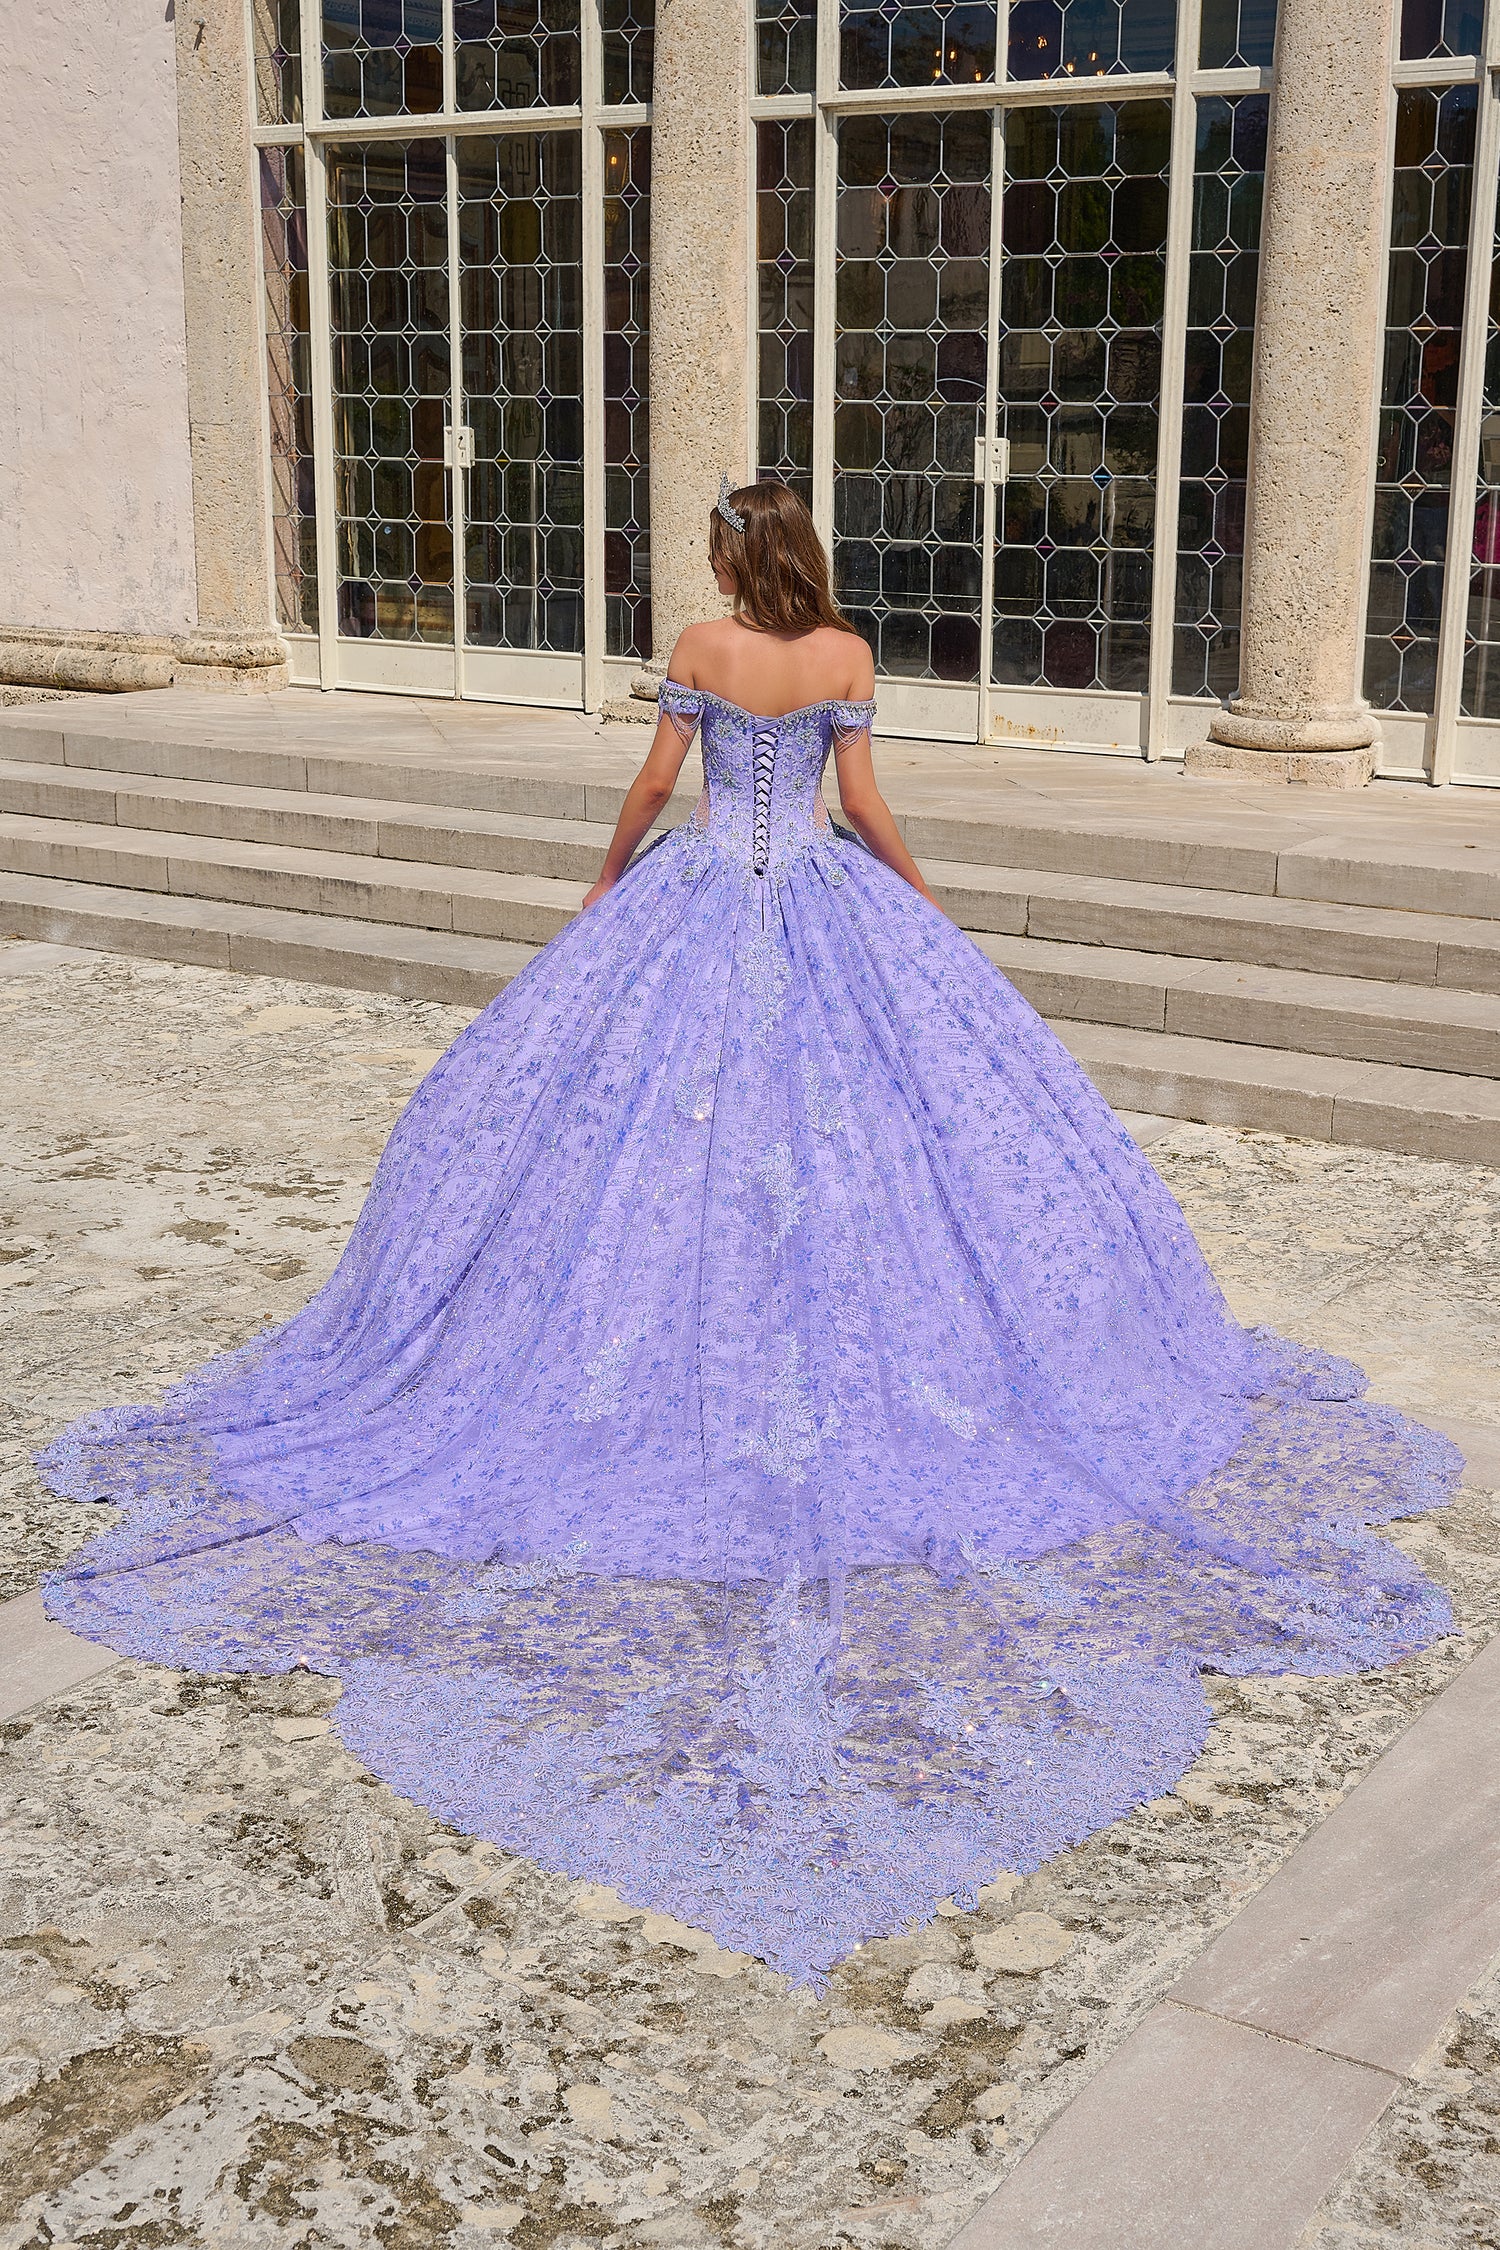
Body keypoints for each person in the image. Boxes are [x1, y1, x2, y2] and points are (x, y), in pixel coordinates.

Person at [40, 480, 1457, 1985]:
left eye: (717, 543)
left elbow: (656, 788)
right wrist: (922, 903)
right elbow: (866, 808)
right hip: (826, 901)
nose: (710, 563)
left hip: (705, 902)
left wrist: (603, 881)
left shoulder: (704, 647)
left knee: (622, 1151)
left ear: (734, 557)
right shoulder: (842, 654)